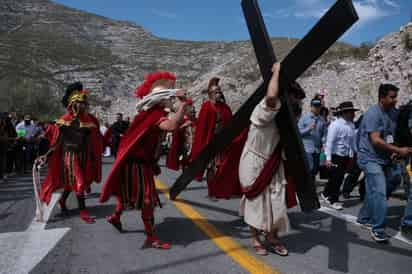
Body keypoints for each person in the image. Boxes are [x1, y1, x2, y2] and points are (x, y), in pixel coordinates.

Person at [100, 71, 188, 249]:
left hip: (139, 163)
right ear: (161, 100)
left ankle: (116, 217)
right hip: (136, 165)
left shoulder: (151, 115)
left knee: (129, 195)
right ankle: (151, 237)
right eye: (168, 98)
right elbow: (171, 126)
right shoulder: (154, 116)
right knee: (147, 200)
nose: (171, 101)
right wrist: (183, 104)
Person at [239, 63, 305, 256]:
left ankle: (272, 236)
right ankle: (254, 237)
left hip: (274, 163)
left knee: (277, 201)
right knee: (256, 201)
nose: (296, 102)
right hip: (254, 161)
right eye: (292, 96)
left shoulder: (286, 119)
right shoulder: (264, 110)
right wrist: (276, 73)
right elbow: (271, 98)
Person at [38, 82, 103, 224]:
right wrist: (46, 156)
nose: (83, 105)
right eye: (80, 103)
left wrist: (93, 156)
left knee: (75, 183)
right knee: (79, 183)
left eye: (84, 103)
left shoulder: (90, 120)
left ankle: (62, 200)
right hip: (70, 156)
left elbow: (93, 140)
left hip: (84, 156)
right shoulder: (64, 121)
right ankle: (83, 212)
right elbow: (57, 142)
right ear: (73, 104)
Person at [356, 83, 412, 243]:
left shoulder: (394, 113)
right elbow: (376, 140)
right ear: (382, 98)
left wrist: (395, 151)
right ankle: (378, 229)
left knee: (392, 181)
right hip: (369, 158)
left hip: (385, 157)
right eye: (392, 97)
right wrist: (399, 150)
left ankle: (365, 217)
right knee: (379, 190)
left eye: (396, 97)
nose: (395, 100)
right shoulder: (373, 114)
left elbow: (393, 134)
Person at [191, 77, 232, 200]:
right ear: (210, 94)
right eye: (216, 92)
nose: (219, 93)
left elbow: (230, 123)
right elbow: (202, 129)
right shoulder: (206, 107)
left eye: (219, 91)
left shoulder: (225, 108)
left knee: (223, 168)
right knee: (212, 168)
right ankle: (211, 192)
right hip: (210, 143)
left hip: (223, 142)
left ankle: (221, 190)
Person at [321, 101, 359, 210]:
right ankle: (333, 200)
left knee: (338, 177)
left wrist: (356, 152)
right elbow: (329, 143)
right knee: (336, 178)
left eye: (353, 112)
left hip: (346, 156)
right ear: (345, 113)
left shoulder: (351, 125)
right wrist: (328, 159)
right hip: (336, 155)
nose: (353, 114)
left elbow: (352, 142)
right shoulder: (335, 125)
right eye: (351, 112)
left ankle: (326, 193)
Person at [298, 98, 327, 180]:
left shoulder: (322, 120)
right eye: (315, 106)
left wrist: (324, 144)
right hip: (307, 148)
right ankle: (308, 187)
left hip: (317, 149)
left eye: (318, 106)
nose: (317, 108)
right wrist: (308, 129)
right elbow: (299, 133)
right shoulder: (304, 118)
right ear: (311, 107)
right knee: (309, 168)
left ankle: (311, 185)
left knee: (315, 169)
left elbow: (324, 134)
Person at [166, 99, 194, 171]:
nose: (193, 112)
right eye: (191, 111)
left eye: (194, 111)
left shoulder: (192, 119)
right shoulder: (181, 118)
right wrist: (184, 125)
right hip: (182, 139)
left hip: (190, 140)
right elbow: (175, 128)